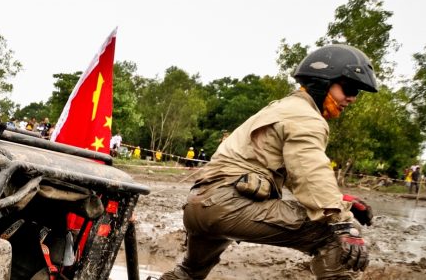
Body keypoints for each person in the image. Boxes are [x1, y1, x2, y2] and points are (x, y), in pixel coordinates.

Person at [158, 44, 377, 280]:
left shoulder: (283, 108)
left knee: (190, 273)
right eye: (349, 88)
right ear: (324, 81)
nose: (352, 98)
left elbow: (293, 171)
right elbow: (309, 171)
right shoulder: (306, 116)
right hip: (230, 205)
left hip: (201, 204)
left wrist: (339, 200)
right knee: (334, 235)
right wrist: (342, 221)